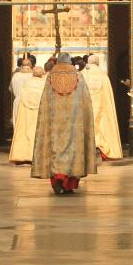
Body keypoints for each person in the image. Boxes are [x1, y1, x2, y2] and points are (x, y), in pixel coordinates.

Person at [31, 52, 97, 194]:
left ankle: (57, 183)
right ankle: (69, 185)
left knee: (55, 150)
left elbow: (45, 101)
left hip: (55, 123)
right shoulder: (79, 76)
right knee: (74, 151)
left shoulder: (50, 76)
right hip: (75, 122)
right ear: (70, 62)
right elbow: (85, 101)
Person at [81, 55, 123, 160]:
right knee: (102, 125)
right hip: (101, 108)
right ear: (98, 63)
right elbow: (108, 97)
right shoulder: (103, 76)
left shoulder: (82, 75)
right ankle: (103, 149)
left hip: (85, 108)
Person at [9, 66, 46, 164]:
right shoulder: (44, 84)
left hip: (25, 112)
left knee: (24, 132)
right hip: (39, 113)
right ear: (42, 74)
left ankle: (22, 156)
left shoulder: (27, 83)